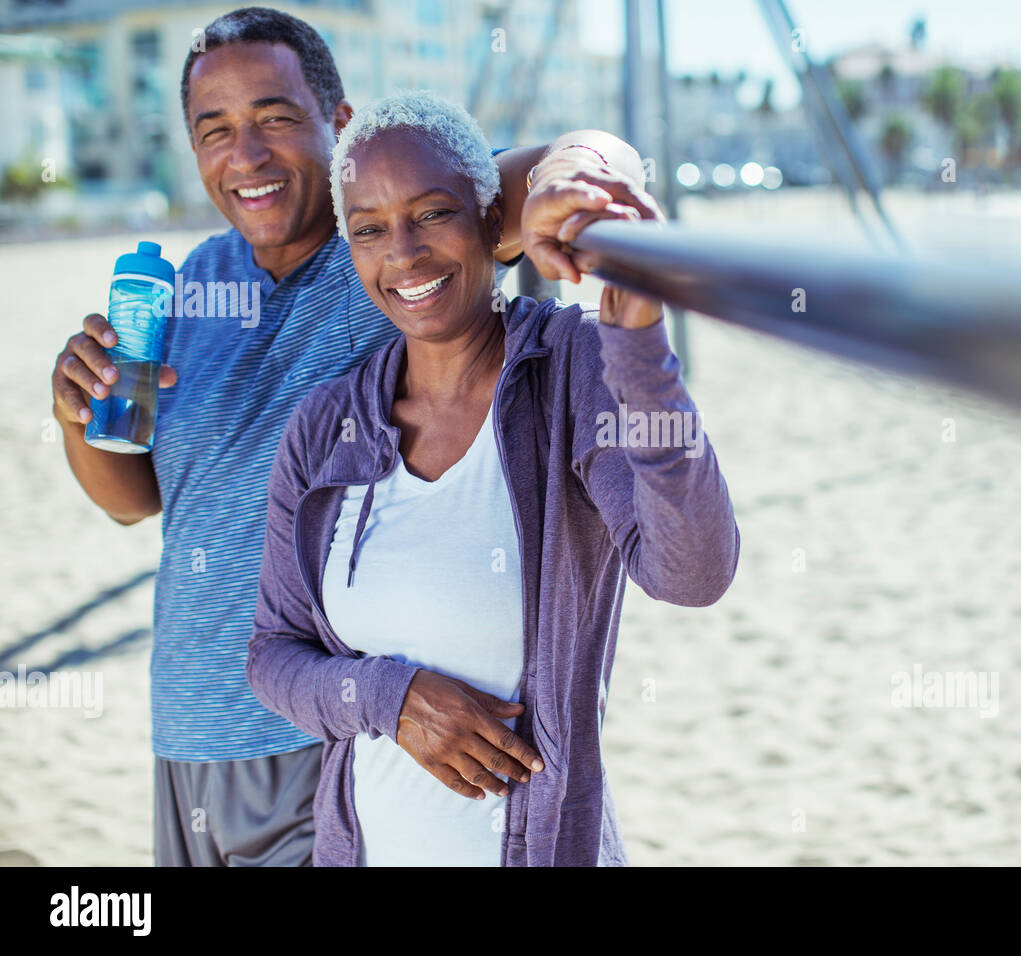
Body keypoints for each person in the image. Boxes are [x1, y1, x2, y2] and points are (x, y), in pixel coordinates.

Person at [47, 6, 659, 866]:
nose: (246, 155)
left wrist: (588, 180)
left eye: (275, 118)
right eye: (214, 129)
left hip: (328, 737)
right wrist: (79, 418)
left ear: (338, 125)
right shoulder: (186, 289)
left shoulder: (385, 247)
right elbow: (137, 502)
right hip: (185, 737)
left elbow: (576, 157)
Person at [246, 90, 740, 866]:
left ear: (490, 218)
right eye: (370, 229)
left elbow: (693, 572)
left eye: (432, 213)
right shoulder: (323, 426)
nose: (403, 253)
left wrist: (640, 347)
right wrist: (390, 698)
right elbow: (274, 655)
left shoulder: (571, 369)